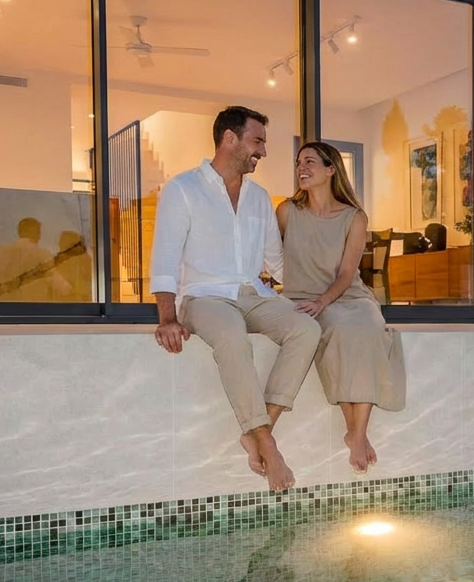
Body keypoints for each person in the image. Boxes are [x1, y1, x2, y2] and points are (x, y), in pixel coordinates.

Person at [149, 106, 320, 492]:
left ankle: (260, 431)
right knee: (230, 334)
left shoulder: (259, 197)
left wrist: (326, 293)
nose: (263, 150)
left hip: (250, 293)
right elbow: (164, 258)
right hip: (203, 297)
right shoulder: (182, 189)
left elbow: (277, 263)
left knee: (306, 329)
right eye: (257, 141)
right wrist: (167, 318)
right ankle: (269, 446)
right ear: (230, 139)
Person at [277, 141, 406, 474]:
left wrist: (323, 301)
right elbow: (269, 256)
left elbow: (348, 273)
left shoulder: (354, 217)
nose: (301, 168)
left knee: (369, 328)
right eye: (298, 163)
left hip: (347, 295)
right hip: (303, 297)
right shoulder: (287, 211)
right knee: (341, 331)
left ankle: (357, 433)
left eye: (309, 162)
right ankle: (356, 434)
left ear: (331, 169)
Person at [0, 217, 70, 301]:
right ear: (37, 233)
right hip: (32, 312)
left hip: (6, 312)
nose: (39, 237)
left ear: (19, 232)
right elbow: (62, 288)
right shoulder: (42, 255)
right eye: (39, 233)